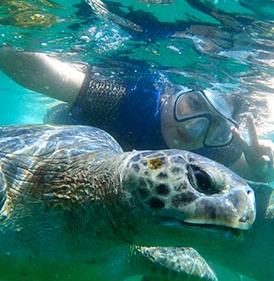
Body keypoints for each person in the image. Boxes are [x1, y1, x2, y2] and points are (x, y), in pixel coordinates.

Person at [0, 48, 273, 182]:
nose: (192, 129)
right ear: (173, 93)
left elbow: (256, 171)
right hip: (69, 136)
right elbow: (35, 70)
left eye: (215, 128)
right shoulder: (124, 101)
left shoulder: (214, 150)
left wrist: (260, 166)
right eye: (192, 104)